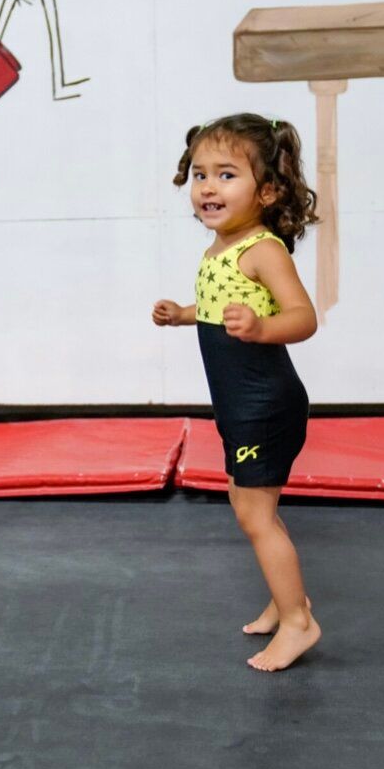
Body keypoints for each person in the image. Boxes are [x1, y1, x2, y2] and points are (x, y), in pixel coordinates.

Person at [152, 113, 321, 672]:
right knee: (248, 505)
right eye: (200, 174)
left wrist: (261, 328)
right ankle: (285, 597)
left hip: (264, 403)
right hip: (240, 405)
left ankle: (299, 622)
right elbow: (223, 308)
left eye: (226, 175)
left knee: (255, 515)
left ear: (267, 190)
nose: (207, 187)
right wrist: (184, 315)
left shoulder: (263, 249)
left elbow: (302, 316)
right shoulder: (220, 250)